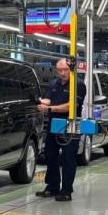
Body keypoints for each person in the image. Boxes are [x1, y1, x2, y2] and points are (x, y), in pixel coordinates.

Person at [37, 58, 85, 201]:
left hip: (70, 124)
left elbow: (71, 105)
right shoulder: (53, 84)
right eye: (60, 70)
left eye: (65, 70)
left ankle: (66, 191)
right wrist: (38, 102)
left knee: (68, 157)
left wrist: (49, 108)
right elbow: (48, 100)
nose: (63, 73)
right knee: (50, 155)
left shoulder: (78, 84)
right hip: (54, 124)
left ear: (70, 69)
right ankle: (52, 187)